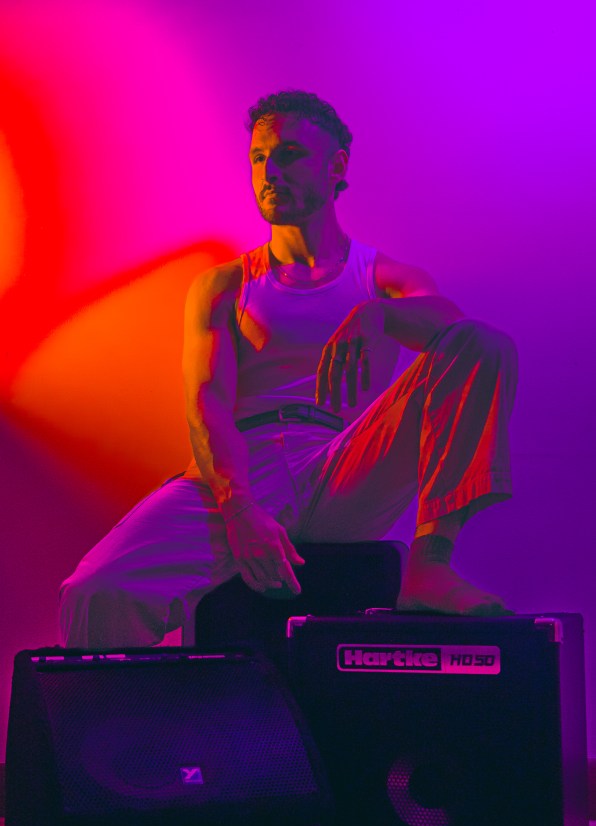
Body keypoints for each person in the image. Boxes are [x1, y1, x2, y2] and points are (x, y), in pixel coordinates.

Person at [59, 89, 518, 648]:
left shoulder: (382, 277)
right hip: (241, 470)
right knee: (94, 592)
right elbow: (206, 405)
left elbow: (455, 331)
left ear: (337, 166)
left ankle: (430, 565)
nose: (270, 171)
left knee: (481, 342)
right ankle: (143, 710)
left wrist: (380, 315)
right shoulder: (225, 285)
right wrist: (239, 509)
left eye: (290, 154)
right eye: (258, 158)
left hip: (340, 467)